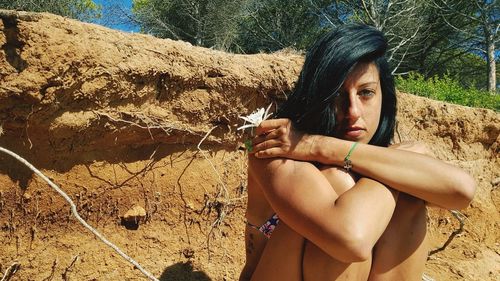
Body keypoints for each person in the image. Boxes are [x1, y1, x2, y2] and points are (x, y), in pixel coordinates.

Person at [239, 24, 476, 281]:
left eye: (366, 93)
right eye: (337, 96)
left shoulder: (318, 145)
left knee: (408, 201)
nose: (353, 111)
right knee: (342, 180)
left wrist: (320, 146)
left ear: (384, 96)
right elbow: (351, 240)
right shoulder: (274, 147)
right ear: (318, 95)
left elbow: (461, 191)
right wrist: (401, 165)